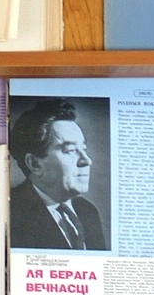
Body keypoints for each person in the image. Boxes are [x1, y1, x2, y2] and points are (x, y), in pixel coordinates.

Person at [9, 98, 107, 250]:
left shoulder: (88, 212)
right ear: (35, 164)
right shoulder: (11, 212)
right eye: (70, 150)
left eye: (84, 149)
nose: (87, 161)